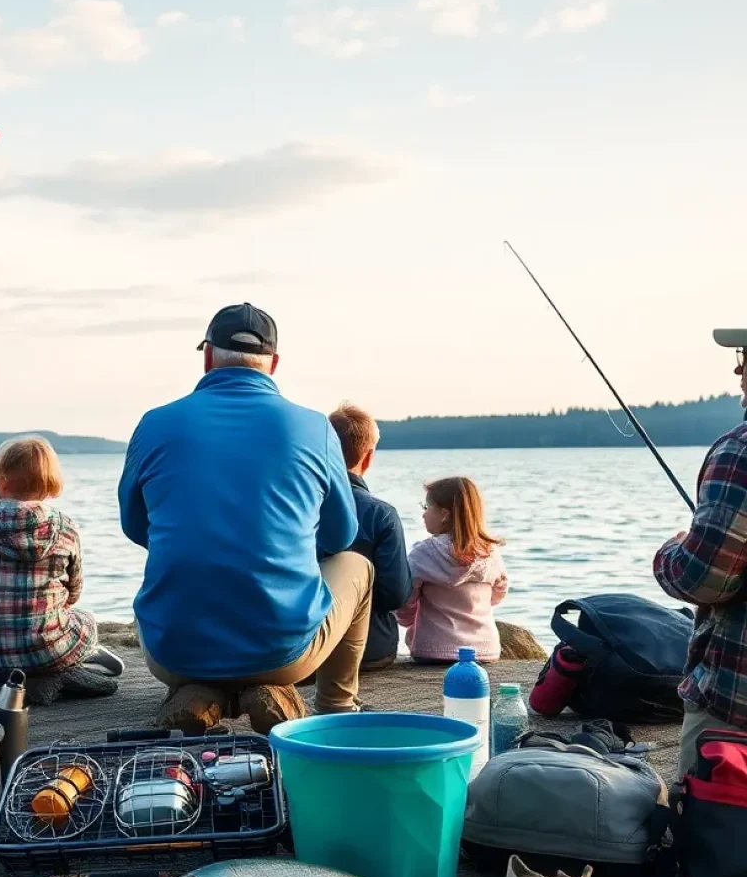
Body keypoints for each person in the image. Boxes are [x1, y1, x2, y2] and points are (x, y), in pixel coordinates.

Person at [118, 303, 374, 734]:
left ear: (206, 356)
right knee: (358, 566)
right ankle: (335, 709)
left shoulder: (154, 423)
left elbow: (135, 526)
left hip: (172, 655)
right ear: (273, 364)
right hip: (284, 655)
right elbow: (342, 534)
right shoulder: (315, 427)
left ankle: (202, 692)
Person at [655, 332, 747, 779]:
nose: (738, 369)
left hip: (735, 711)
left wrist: (672, 549)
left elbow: (703, 579)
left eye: (745, 356)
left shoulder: (740, 452)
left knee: (713, 841)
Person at [0, 435, 124, 703]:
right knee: (85, 617)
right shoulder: (65, 526)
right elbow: (75, 587)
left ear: (2, 480)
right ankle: (76, 658)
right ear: (51, 484)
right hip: (50, 649)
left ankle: (51, 667)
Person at [328, 403, 411, 670]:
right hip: (370, 650)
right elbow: (396, 595)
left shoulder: (294, 506)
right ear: (369, 457)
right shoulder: (382, 514)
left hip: (302, 645)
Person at [397, 477, 508, 662]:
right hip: (485, 650)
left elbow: (406, 602)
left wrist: (406, 621)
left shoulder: (424, 554)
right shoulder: (490, 553)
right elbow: (498, 594)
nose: (423, 515)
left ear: (444, 514)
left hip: (433, 651)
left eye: (426, 508)